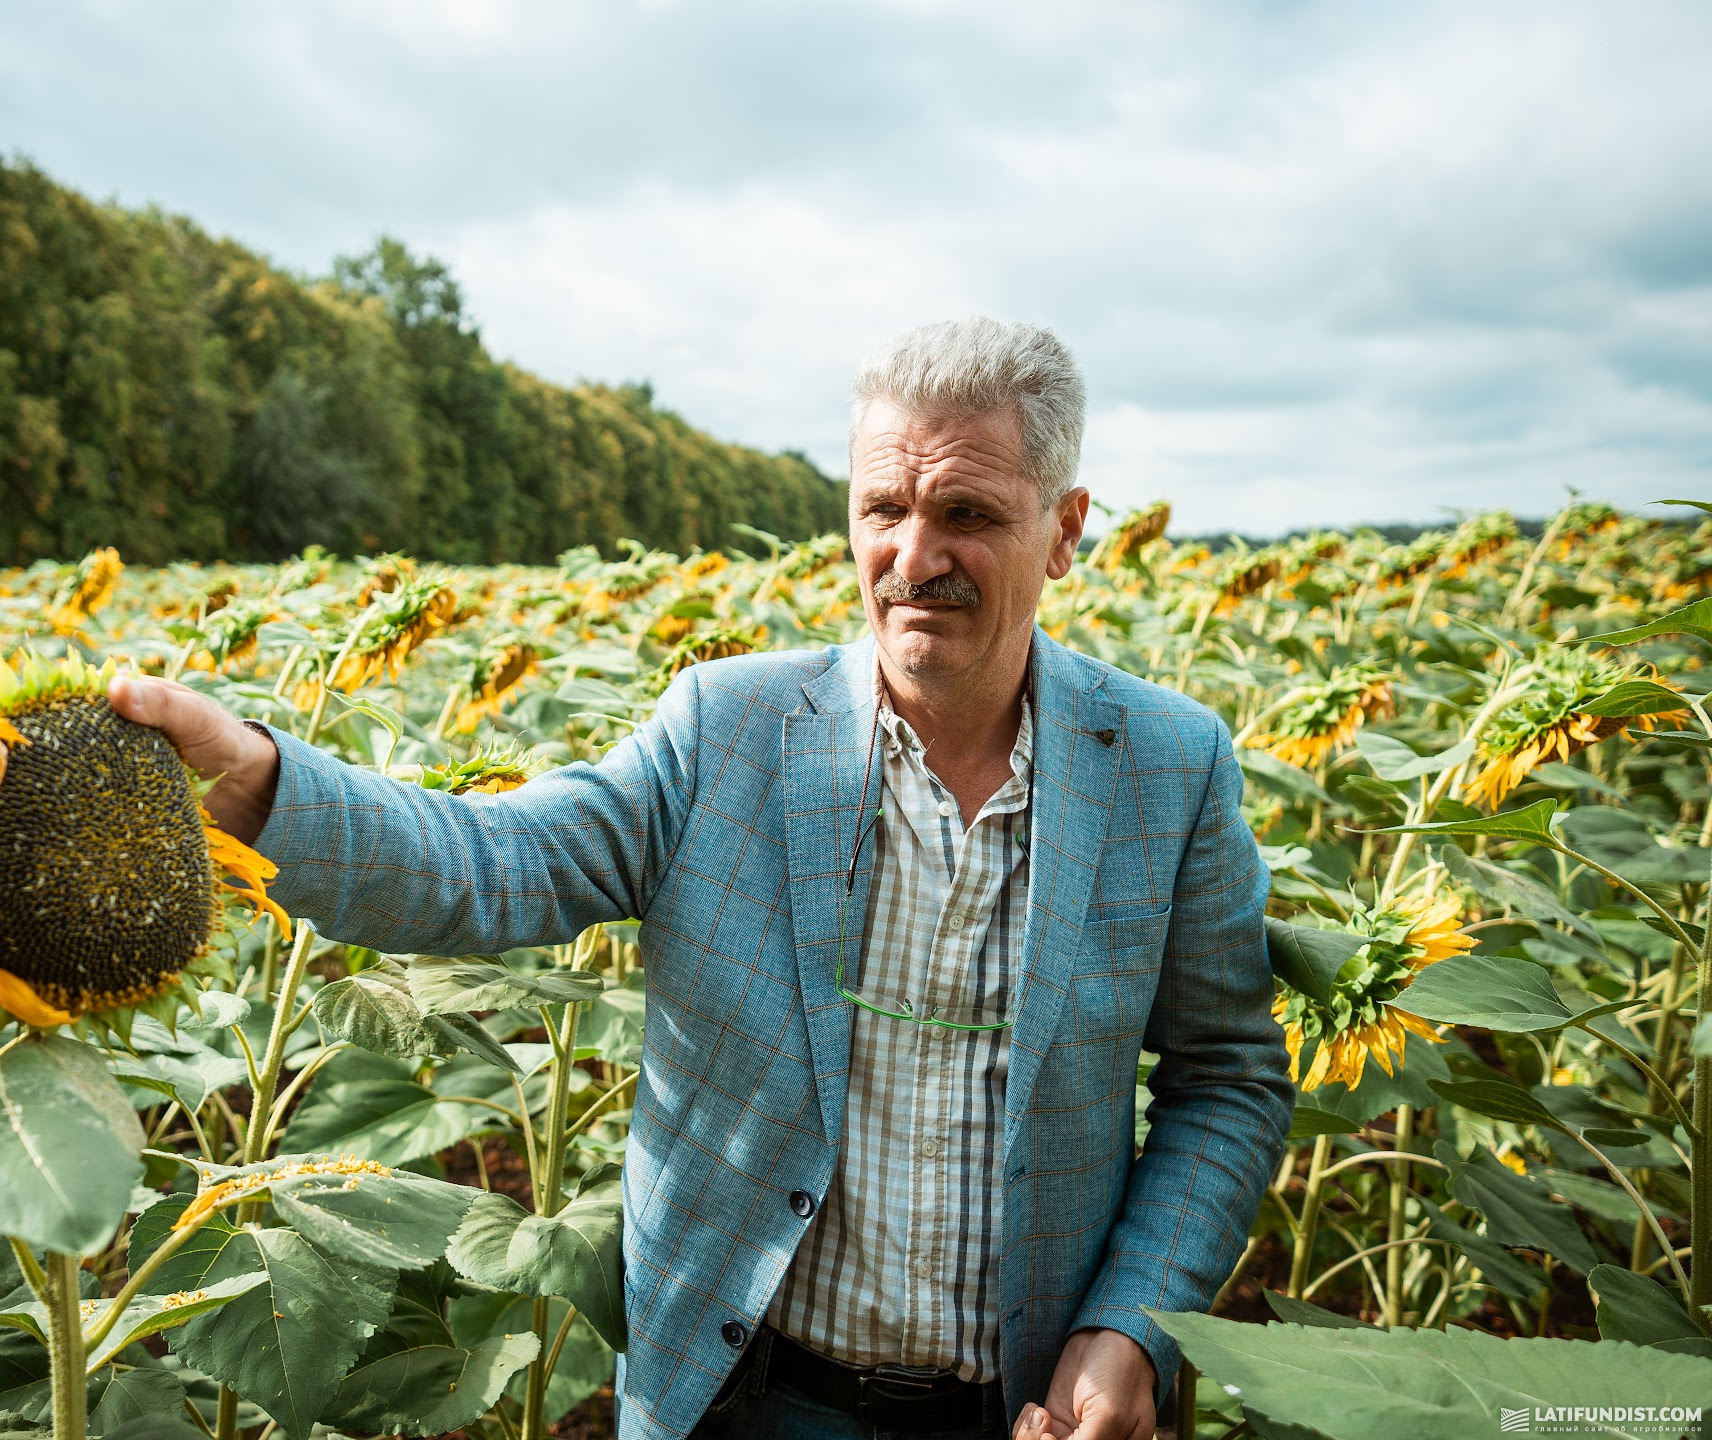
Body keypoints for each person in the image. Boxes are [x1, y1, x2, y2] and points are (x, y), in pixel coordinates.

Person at [110, 317, 1294, 1440]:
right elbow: (499, 862)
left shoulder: (1164, 768)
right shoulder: (726, 731)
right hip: (747, 1396)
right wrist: (267, 789)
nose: (912, 556)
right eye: (883, 506)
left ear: (1068, 528)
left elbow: (1227, 1078)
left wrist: (1129, 1325)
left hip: (1020, 1404)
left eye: (967, 513)